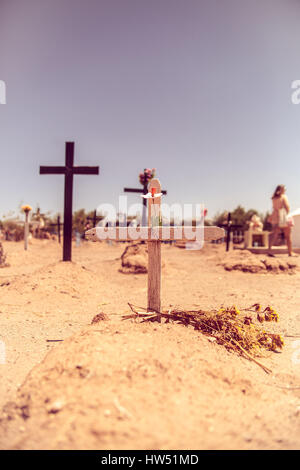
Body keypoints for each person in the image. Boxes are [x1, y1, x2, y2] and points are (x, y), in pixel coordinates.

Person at [268, 185, 295, 256]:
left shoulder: (274, 198)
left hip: (275, 217)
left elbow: (274, 207)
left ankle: (269, 251)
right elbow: (287, 207)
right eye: (284, 188)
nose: (285, 189)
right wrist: (288, 214)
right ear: (281, 189)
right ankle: (290, 252)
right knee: (288, 235)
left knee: (274, 234)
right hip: (283, 217)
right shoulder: (284, 196)